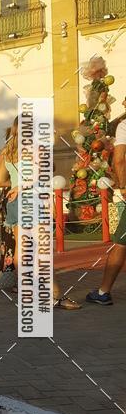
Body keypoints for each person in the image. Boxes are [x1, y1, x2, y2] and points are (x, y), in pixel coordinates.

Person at [0, 119, 79, 309]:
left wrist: (15, 186)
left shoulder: (7, 151)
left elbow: (0, 181)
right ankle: (54, 296)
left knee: (21, 251)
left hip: (15, 202)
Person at [86, 110, 126, 305]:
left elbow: (119, 159)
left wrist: (123, 186)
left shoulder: (124, 125)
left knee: (121, 242)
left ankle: (103, 291)